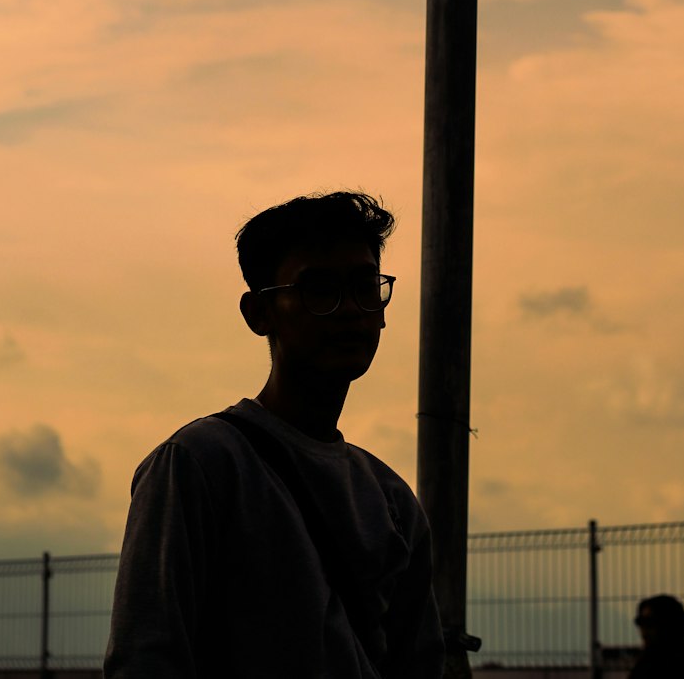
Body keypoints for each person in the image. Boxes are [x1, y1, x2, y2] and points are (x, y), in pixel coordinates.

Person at [104, 191, 445, 678]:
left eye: (366, 286)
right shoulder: (199, 465)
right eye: (320, 289)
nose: (350, 309)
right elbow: (146, 656)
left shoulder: (392, 501)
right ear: (257, 313)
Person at [629, 593, 684, 677]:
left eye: (650, 623)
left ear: (668, 626)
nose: (644, 631)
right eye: (641, 623)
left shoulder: (655, 662)